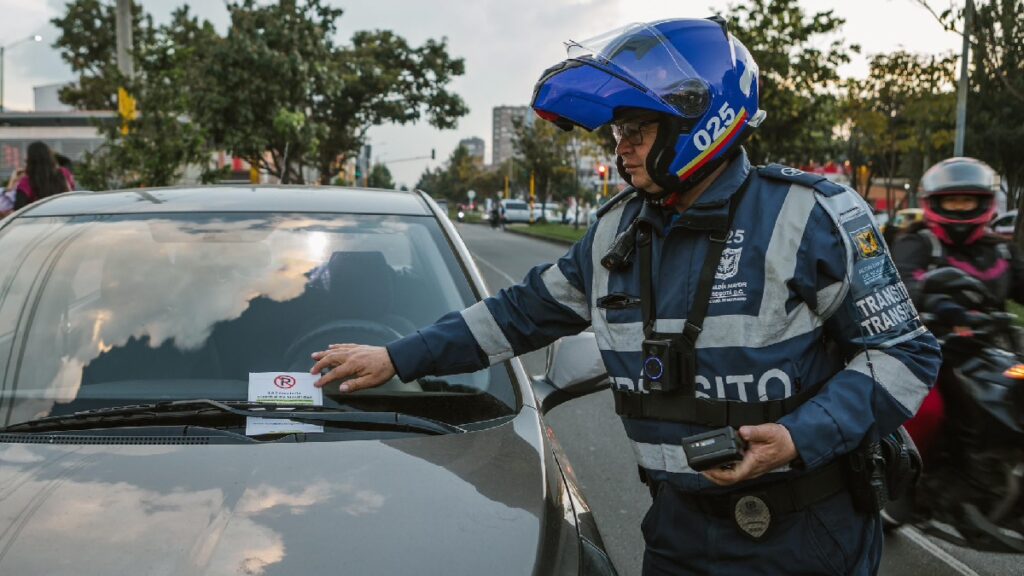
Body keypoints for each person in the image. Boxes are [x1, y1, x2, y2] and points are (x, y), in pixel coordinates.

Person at [310, 18, 940, 575]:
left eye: (638, 129)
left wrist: (798, 437)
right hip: (678, 529)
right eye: (616, 132)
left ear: (703, 116)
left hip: (805, 533)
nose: (622, 148)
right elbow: (518, 314)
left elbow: (906, 356)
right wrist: (398, 358)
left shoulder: (812, 215)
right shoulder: (617, 228)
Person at [890, 157, 1024, 460]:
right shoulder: (917, 243)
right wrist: (939, 304)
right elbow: (903, 285)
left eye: (968, 201)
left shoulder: (1001, 249)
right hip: (928, 352)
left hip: (993, 351)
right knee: (927, 414)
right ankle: (901, 486)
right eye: (952, 201)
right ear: (933, 202)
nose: (961, 208)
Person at [13, 141, 74, 211]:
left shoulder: (26, 181)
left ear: (30, 160)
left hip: (39, 220)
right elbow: (67, 161)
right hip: (64, 217)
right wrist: (51, 153)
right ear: (50, 156)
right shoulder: (64, 173)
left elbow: (18, 208)